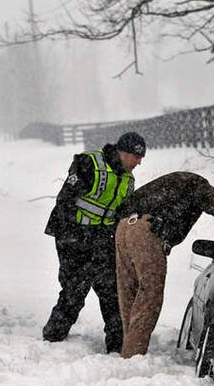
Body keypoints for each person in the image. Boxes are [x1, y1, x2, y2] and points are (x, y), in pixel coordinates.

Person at [114, 172, 214, 358]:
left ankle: (128, 346)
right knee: (150, 293)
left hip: (123, 227)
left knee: (128, 291)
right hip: (147, 231)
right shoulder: (196, 184)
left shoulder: (172, 184)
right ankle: (133, 355)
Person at [42, 132, 146, 353]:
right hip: (72, 235)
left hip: (102, 238)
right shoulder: (89, 163)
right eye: (137, 157)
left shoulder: (128, 180)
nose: (139, 162)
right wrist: (73, 237)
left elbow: (122, 214)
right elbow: (65, 201)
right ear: (124, 152)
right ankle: (52, 338)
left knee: (112, 291)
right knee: (75, 288)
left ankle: (117, 346)